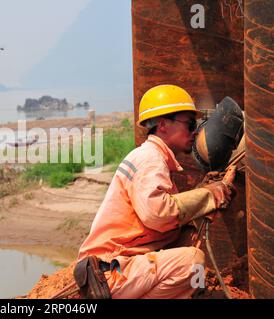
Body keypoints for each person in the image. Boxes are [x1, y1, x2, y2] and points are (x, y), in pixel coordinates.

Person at [77, 84, 234, 299]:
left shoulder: (151, 157)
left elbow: (167, 219)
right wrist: (211, 194)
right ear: (163, 125)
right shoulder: (150, 159)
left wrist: (205, 194)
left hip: (115, 267)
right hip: (110, 272)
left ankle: (196, 292)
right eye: (190, 124)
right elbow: (158, 215)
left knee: (188, 239)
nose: (195, 130)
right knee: (193, 260)